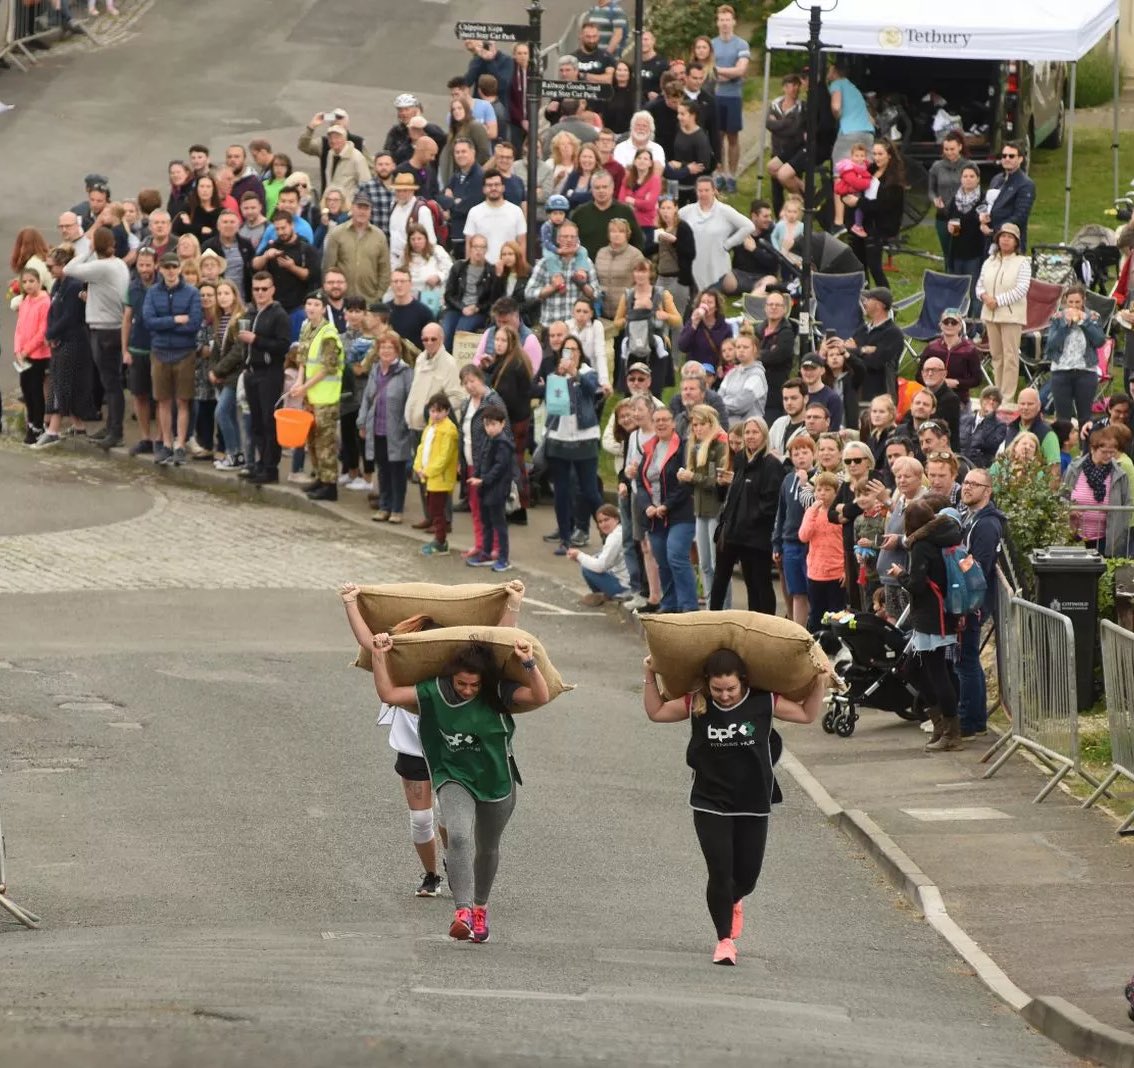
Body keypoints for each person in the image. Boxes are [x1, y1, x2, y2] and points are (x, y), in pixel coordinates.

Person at [338, 583, 523, 898]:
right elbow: (369, 644)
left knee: (453, 820)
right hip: (413, 746)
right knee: (422, 819)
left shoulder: (454, 674)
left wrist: (513, 604)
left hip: (451, 747)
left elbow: (497, 647)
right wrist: (351, 603)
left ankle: (456, 862)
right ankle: (431, 874)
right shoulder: (402, 664)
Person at [642, 647, 824, 965]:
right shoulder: (697, 702)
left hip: (753, 801)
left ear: (743, 682)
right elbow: (656, 712)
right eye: (717, 689)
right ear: (707, 684)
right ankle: (724, 941)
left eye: (730, 689)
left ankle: (735, 899)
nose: (724, 696)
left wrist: (821, 679)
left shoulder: (763, 701)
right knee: (720, 872)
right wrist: (649, 674)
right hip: (710, 801)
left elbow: (807, 715)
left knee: (747, 877)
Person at [368, 629, 551, 944]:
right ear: (450, 678)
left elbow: (540, 697)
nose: (468, 691)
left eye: (474, 685)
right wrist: (379, 654)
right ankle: (462, 912)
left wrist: (529, 664)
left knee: (487, 846)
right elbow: (389, 694)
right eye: (461, 684)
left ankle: (480, 907)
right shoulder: (433, 692)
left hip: (497, 779)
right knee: (460, 836)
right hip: (453, 775)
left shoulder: (498, 693)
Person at [887, 499, 965, 752]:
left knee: (933, 672)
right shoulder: (944, 536)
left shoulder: (921, 546)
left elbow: (917, 585)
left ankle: (950, 732)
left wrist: (900, 574)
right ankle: (942, 725)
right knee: (916, 669)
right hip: (939, 616)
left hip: (932, 618)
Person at [63, 227, 130, 450]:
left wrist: (87, 251)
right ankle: (111, 426)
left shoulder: (101, 266)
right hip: (114, 326)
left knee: (111, 383)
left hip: (105, 329)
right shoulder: (119, 263)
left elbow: (69, 269)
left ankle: (116, 431)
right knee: (111, 381)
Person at [710, 416, 780, 613]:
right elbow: (731, 496)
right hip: (732, 531)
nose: (750, 436)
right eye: (747, 432)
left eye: (755, 432)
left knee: (759, 584)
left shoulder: (771, 464)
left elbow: (770, 504)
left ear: (764, 435)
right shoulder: (740, 457)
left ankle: (764, 626)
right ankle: (712, 619)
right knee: (722, 579)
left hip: (756, 537)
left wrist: (749, 520)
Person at [957, 470, 1005, 740]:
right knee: (965, 661)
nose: (967, 488)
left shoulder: (987, 524)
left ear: (987, 491)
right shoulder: (971, 517)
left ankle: (970, 722)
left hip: (972, 601)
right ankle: (973, 720)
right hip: (967, 599)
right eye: (965, 483)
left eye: (974, 484)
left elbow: (979, 566)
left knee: (967, 661)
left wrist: (956, 565)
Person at [638, 406, 698, 613]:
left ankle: (689, 607)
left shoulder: (683, 448)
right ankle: (670, 604)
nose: (661, 424)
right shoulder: (648, 448)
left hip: (680, 513)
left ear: (674, 423)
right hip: (654, 516)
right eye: (657, 420)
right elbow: (640, 482)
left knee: (676, 556)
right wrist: (647, 506)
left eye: (665, 420)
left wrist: (666, 505)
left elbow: (685, 482)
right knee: (662, 560)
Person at [288, 292, 344, 501]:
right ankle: (320, 477)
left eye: (316, 304)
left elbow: (328, 368)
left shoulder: (328, 334)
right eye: (309, 303)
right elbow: (303, 358)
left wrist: (305, 386)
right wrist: (299, 381)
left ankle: (330, 484)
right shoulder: (306, 328)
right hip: (310, 396)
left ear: (323, 309)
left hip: (326, 397)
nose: (311, 307)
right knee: (311, 440)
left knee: (325, 442)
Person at [676, 404, 730, 608]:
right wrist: (686, 478)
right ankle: (710, 607)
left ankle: (722, 608)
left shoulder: (719, 445)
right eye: (694, 425)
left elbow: (716, 481)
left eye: (701, 424)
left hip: (715, 510)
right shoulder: (696, 446)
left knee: (718, 566)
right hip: (699, 510)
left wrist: (693, 477)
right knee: (705, 565)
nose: (697, 429)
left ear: (711, 424)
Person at [358, 332, 415, 524]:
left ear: (397, 351)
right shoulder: (375, 370)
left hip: (397, 431)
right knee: (382, 470)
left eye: (390, 348)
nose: (386, 351)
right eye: (382, 347)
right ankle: (384, 506)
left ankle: (397, 509)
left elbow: (410, 401)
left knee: (397, 472)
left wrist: (405, 426)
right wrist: (362, 422)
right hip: (377, 429)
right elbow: (367, 398)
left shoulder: (405, 372)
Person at [977, 221, 1031, 403]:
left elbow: (1022, 288)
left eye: (1010, 237)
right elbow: (979, 284)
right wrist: (985, 297)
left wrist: (998, 301)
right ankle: (997, 393)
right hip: (990, 314)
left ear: (1016, 242)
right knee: (996, 355)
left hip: (1011, 315)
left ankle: (1007, 396)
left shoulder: (1022, 262)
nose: (1006, 240)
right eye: (1003, 236)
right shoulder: (989, 261)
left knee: (1010, 356)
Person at [843, 140, 905, 290]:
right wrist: (846, 197)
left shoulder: (894, 181)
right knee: (858, 266)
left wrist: (858, 202)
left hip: (877, 227)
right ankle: (864, 300)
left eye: (880, 154)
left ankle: (887, 303)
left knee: (875, 267)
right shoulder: (869, 170)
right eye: (874, 154)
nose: (876, 157)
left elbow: (882, 206)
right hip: (860, 224)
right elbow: (852, 186)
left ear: (889, 156)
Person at [1062, 427, 1132, 557]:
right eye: (1104, 452)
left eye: (1112, 452)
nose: (1109, 456)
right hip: (1074, 536)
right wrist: (1069, 511)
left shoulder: (1119, 475)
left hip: (1105, 540)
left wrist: (1119, 531)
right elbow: (1062, 497)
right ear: (1093, 449)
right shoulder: (1074, 469)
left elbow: (1126, 506)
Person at [1046, 284, 1107, 429]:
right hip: (1061, 370)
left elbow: (1100, 341)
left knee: (1085, 417)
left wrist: (1084, 322)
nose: (1074, 305)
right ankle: (1062, 449)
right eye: (1071, 302)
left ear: (1083, 300)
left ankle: (1085, 448)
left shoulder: (1092, 316)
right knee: (1062, 418)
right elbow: (1051, 344)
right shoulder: (1058, 317)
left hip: (1085, 370)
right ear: (1065, 301)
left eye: (1077, 302)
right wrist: (1064, 326)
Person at [679, 176, 754, 293]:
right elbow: (672, 224)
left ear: (714, 190)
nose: (703, 194)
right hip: (694, 264)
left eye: (706, 190)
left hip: (717, 265)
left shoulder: (725, 211)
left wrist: (728, 244)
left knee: (710, 299)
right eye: (700, 191)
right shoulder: (687, 211)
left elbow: (748, 226)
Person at [409, 392, 460, 557]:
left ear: (446, 412)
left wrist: (428, 471)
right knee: (432, 508)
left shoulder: (449, 431)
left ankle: (440, 541)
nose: (435, 414)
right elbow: (422, 448)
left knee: (437, 511)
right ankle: (439, 540)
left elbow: (443, 458)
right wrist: (418, 465)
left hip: (439, 478)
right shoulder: (430, 427)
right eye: (432, 410)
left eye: (439, 411)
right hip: (429, 476)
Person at [799, 471, 847, 630]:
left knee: (836, 615)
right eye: (819, 489)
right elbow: (804, 536)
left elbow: (846, 543)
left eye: (827, 490)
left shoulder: (840, 514)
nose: (822, 493)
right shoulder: (811, 513)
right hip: (815, 573)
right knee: (816, 615)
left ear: (835, 492)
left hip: (836, 573)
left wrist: (845, 570)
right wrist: (812, 511)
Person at [710, 4, 749, 192]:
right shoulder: (712, 44)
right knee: (717, 137)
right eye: (721, 20)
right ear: (717, 22)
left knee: (733, 137)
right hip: (716, 95)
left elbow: (741, 69)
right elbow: (709, 72)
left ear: (733, 22)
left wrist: (721, 71)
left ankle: (732, 176)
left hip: (734, 96)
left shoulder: (741, 44)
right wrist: (730, 73)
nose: (725, 24)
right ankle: (720, 174)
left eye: (728, 20)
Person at [845, 287, 903, 402]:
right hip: (857, 389)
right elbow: (846, 350)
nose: (864, 303)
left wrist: (856, 350)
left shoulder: (893, 333)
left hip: (880, 394)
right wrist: (864, 350)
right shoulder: (863, 329)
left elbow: (875, 362)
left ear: (878, 305)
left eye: (868, 300)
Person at [568, 503, 631, 606]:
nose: (603, 524)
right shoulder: (621, 531)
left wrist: (580, 556)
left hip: (623, 587)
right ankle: (603, 594)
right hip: (627, 581)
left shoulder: (615, 537)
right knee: (596, 556)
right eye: (600, 522)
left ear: (616, 519)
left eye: (607, 520)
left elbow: (600, 567)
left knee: (587, 568)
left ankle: (604, 595)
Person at [979, 141, 1036, 251]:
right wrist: (981, 217)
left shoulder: (1026, 184)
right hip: (989, 240)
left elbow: (1020, 216)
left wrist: (995, 230)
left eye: (1011, 156)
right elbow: (986, 202)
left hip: (1010, 242)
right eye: (1004, 156)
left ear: (1020, 159)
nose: (1007, 159)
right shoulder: (997, 179)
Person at [919, 309, 982, 409]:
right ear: (940, 325)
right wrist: (935, 382)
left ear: (960, 326)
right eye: (946, 322)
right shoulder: (932, 348)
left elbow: (977, 379)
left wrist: (957, 383)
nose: (949, 325)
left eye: (954, 322)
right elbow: (919, 375)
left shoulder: (969, 350)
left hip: (959, 399)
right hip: (932, 399)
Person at [765, 74, 805, 213]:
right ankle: (778, 217)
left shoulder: (801, 107)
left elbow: (794, 130)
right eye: (790, 85)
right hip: (776, 151)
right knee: (776, 190)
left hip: (794, 152)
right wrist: (786, 123)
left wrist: (778, 125)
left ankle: (799, 212)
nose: (794, 89)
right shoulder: (775, 104)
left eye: (796, 85)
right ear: (784, 87)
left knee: (793, 185)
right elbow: (769, 124)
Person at [947, 163, 985, 299]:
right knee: (957, 289)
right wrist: (949, 227)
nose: (968, 179)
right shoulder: (955, 199)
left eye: (972, 176)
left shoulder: (983, 200)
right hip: (957, 251)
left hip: (975, 252)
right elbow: (950, 217)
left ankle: (974, 318)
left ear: (978, 179)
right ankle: (958, 317)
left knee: (974, 290)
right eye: (965, 176)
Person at [927, 132, 967, 261]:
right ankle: (949, 275)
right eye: (946, 149)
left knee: (958, 250)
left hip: (961, 216)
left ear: (960, 147)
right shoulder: (937, 167)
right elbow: (930, 190)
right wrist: (934, 199)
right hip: (943, 216)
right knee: (947, 252)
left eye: (952, 149)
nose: (949, 152)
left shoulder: (968, 166)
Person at [717, 330, 767, 426]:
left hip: (749, 429)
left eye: (745, 347)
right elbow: (718, 398)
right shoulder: (731, 373)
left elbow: (740, 405)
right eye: (738, 347)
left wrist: (723, 402)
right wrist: (726, 402)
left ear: (754, 349)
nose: (741, 350)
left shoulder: (757, 375)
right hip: (727, 428)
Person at [918, 357, 961, 450]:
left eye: (934, 370)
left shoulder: (951, 399)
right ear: (922, 373)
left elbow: (937, 428)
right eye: (927, 370)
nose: (930, 373)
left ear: (944, 374)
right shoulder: (920, 395)